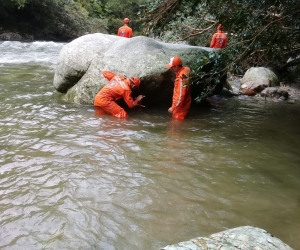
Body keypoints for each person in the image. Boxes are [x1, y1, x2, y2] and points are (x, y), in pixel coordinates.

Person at [166, 56, 192, 120]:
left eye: (172, 67)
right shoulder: (185, 70)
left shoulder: (181, 78)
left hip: (180, 108)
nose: (171, 69)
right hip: (185, 103)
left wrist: (173, 107)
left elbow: (181, 95)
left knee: (175, 126)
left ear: (177, 67)